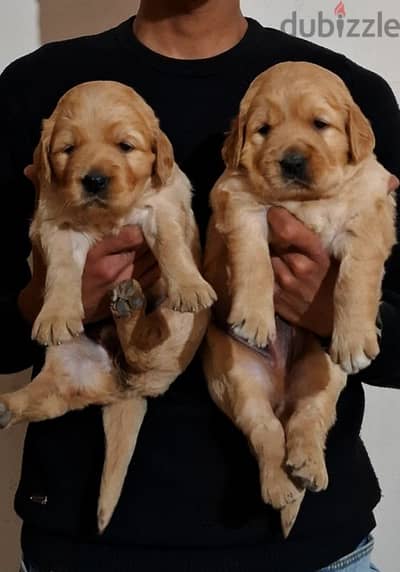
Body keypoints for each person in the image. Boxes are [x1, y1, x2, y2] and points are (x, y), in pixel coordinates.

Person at [1, 1, 400, 570]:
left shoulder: (351, 91)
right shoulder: (33, 89)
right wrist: (51, 296)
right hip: (83, 549)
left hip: (312, 550)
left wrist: (330, 309)